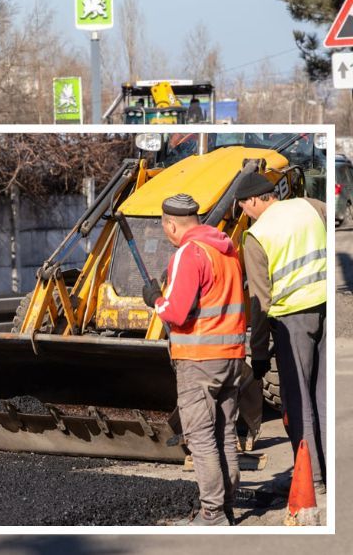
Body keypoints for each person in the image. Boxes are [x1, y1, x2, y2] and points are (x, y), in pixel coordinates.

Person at [141, 193, 246, 525]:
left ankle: (212, 513)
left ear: (171, 224)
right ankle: (227, 505)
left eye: (164, 227)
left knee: (201, 439)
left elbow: (177, 312)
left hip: (199, 359)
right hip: (231, 356)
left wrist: (155, 298)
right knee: (225, 434)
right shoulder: (227, 250)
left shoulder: (190, 252)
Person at [234, 173, 327, 496]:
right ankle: (332, 471)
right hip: (327, 308)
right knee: (324, 396)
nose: (246, 213)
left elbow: (259, 302)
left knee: (299, 401)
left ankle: (311, 478)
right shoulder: (312, 206)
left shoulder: (256, 236)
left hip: (292, 321)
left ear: (257, 200)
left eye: (245, 206)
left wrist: (258, 354)